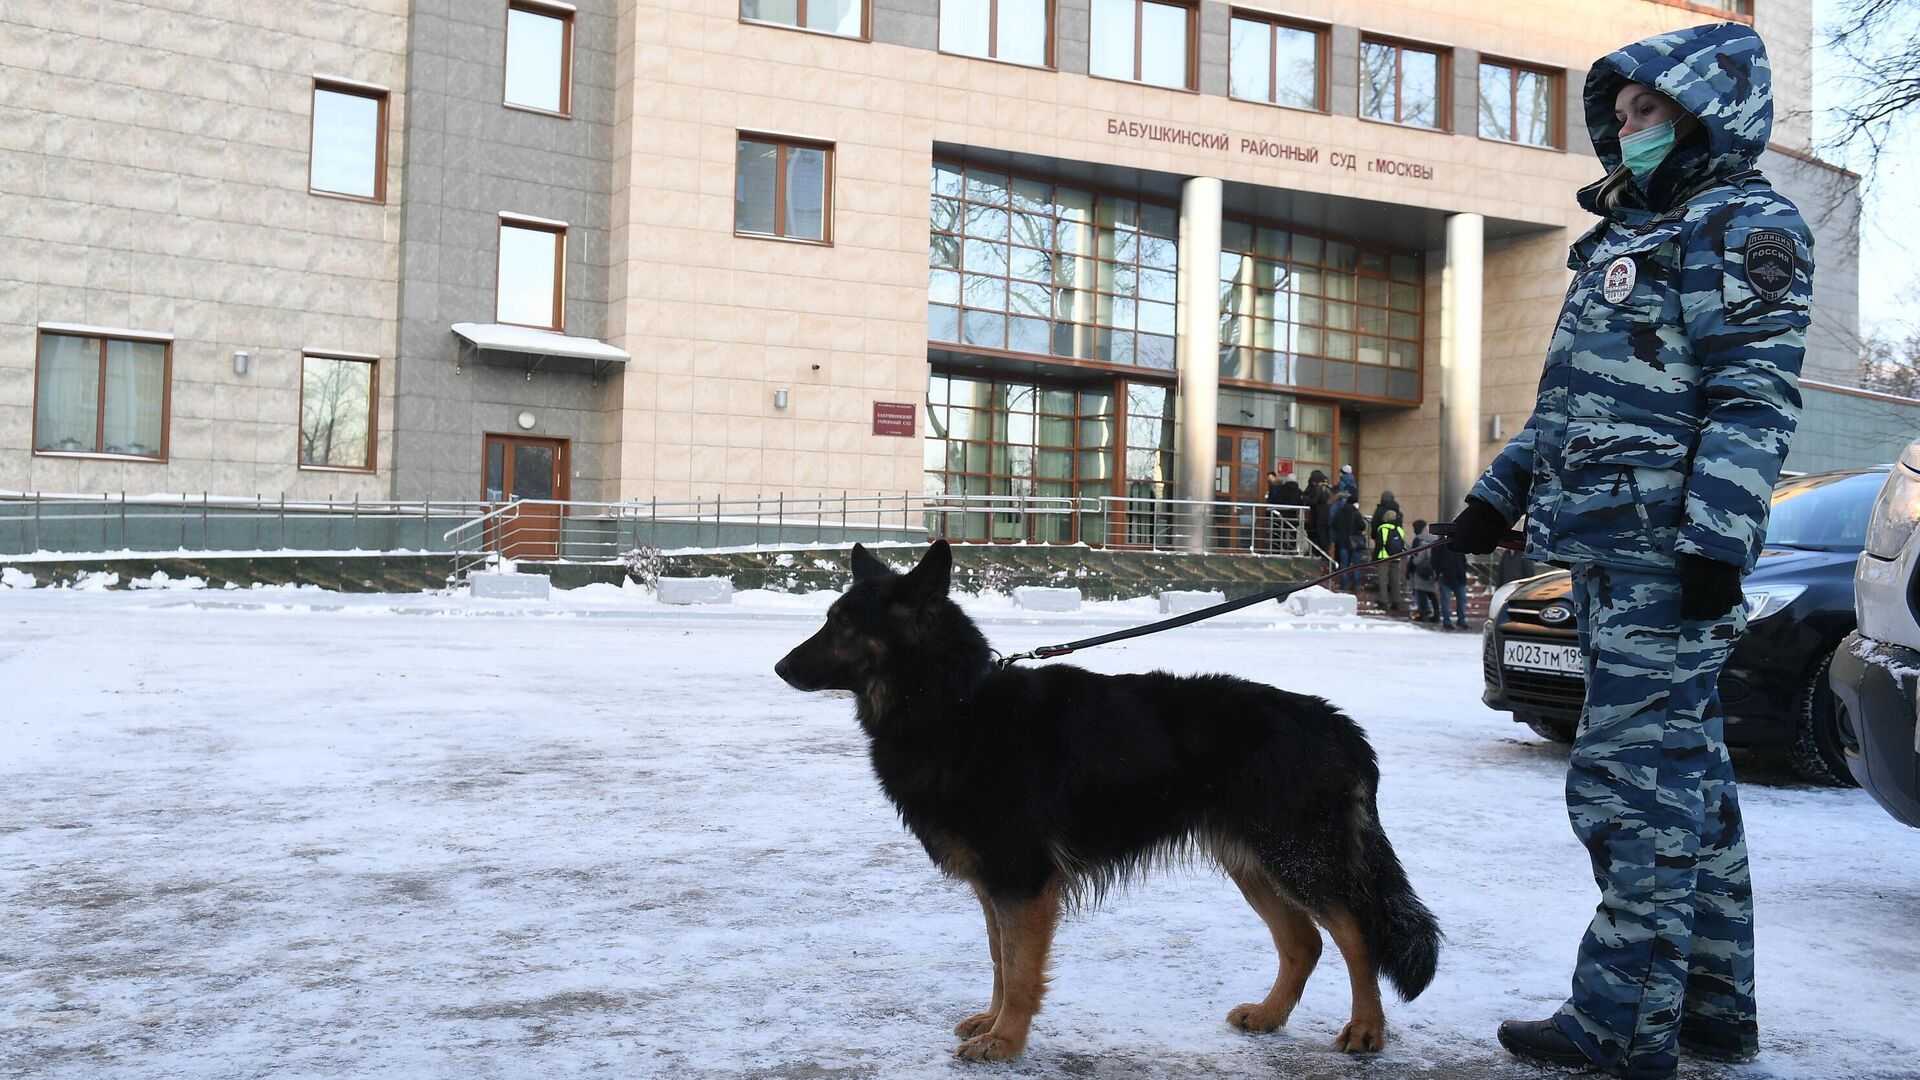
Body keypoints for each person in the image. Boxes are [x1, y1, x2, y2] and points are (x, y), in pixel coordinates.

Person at [1444, 22, 1812, 1079]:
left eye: (1645, 110)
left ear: (1706, 114)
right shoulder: (1618, 241)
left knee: (1628, 790)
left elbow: (1753, 397)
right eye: (1620, 112)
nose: (1624, 125)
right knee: (1688, 789)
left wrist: (1715, 543)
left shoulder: (1744, 223)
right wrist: (1485, 506)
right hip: (1606, 553)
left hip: (1664, 561)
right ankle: (1708, 1011)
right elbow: (1564, 411)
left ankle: (1620, 1021)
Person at [1428, 536, 1469, 630]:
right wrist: (1439, 572)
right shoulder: (1438, 544)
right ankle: (1447, 621)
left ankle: (1461, 620)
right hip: (1446, 576)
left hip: (1458, 576)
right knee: (1445, 600)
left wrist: (1463, 570)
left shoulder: (1458, 542)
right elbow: (1434, 561)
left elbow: (1462, 559)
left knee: (1461, 599)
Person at [1372, 509, 1407, 612]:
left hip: (1384, 557)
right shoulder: (1399, 529)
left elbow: (1379, 544)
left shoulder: (1383, 528)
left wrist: (1374, 558)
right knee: (1395, 580)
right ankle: (1396, 601)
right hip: (1396, 557)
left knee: (1383, 580)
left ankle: (1383, 601)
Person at [1332, 489, 1367, 591]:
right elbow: (1362, 526)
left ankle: (1344, 584)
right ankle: (1355, 585)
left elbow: (1334, 524)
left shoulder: (1340, 512)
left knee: (1344, 564)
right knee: (1356, 564)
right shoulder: (1356, 513)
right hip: (1355, 542)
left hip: (1343, 541)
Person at [1408, 519, 1440, 623]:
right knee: (1432, 594)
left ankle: (1423, 613)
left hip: (1421, 572)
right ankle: (1436, 614)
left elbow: (1419, 559)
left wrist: (1413, 561)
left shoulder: (1422, 542)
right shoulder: (1436, 541)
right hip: (1432, 571)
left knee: (1421, 594)